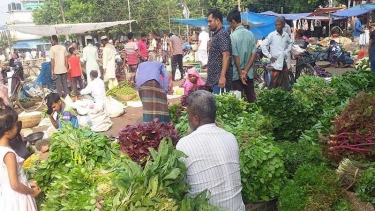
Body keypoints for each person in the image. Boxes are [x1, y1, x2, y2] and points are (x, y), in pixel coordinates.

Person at [176, 90, 245, 211]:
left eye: (189, 116)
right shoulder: (231, 137)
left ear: (196, 119)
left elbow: (181, 185)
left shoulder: (184, 144)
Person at [0, 98, 41, 210]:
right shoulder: (9, 154)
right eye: (15, 125)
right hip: (18, 199)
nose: (17, 127)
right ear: (7, 131)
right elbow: (15, 185)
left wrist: (27, 183)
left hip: (6, 197)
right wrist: (31, 191)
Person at [228, 9, 257, 103]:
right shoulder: (251, 35)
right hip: (248, 74)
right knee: (252, 100)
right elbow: (254, 54)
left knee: (237, 102)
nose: (230, 26)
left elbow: (235, 56)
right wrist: (245, 71)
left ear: (233, 21)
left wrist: (241, 73)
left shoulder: (233, 36)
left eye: (230, 23)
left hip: (237, 75)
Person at [261, 17, 292, 91]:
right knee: (273, 82)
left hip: (284, 61)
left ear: (283, 25)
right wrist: (269, 56)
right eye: (276, 25)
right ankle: (271, 96)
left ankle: (285, 94)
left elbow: (290, 43)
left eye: (279, 25)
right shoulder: (272, 35)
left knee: (285, 81)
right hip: (275, 62)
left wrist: (287, 51)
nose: (278, 26)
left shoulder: (286, 35)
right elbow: (263, 45)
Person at [207, 9, 232, 94]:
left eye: (210, 21)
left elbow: (226, 55)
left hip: (220, 81)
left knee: (221, 106)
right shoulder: (217, 35)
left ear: (217, 20)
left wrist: (222, 76)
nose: (208, 24)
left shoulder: (222, 34)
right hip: (216, 80)